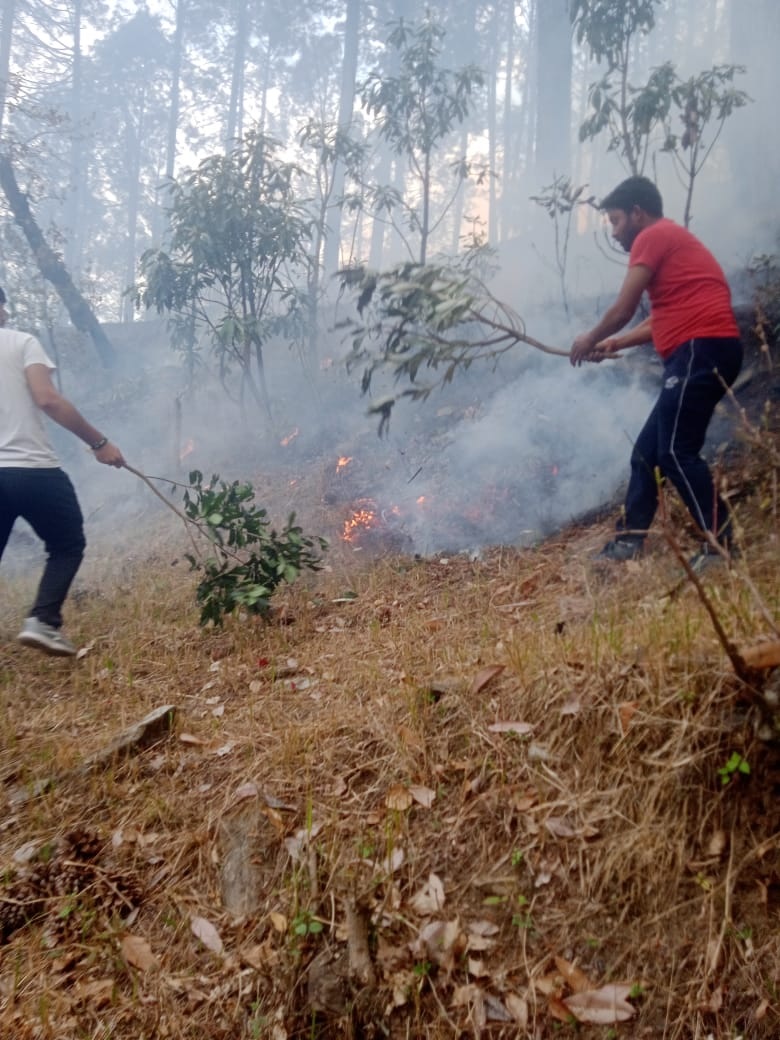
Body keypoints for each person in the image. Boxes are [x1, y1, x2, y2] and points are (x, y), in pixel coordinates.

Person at [570, 175, 742, 564]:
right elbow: (660, 318)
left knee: (676, 453)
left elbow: (624, 308)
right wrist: (612, 342)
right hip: (704, 349)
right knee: (647, 454)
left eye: (615, 221)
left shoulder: (653, 235)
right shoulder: (671, 242)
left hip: (702, 348)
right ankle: (628, 543)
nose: (614, 233)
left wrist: (590, 337)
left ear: (637, 213)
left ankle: (721, 545)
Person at [0, 287, 125, 656]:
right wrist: (100, 443)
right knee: (67, 544)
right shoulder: (21, 343)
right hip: (32, 470)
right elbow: (48, 399)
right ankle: (43, 620)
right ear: (1, 308)